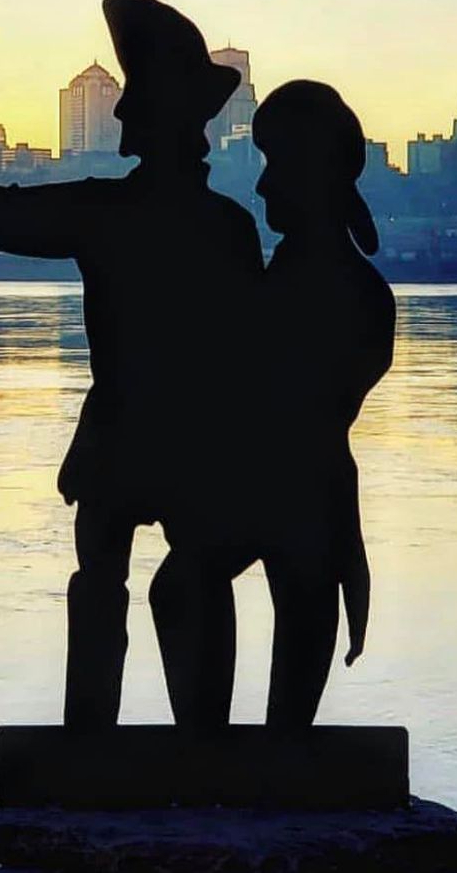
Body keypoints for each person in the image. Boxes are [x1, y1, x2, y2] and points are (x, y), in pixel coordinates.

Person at [0, 0, 263, 729]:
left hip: (130, 433)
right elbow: (12, 210)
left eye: (133, 103)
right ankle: (201, 741)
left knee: (114, 580)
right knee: (171, 580)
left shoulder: (115, 214)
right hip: (177, 438)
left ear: (157, 118)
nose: (117, 117)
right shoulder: (222, 226)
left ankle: (97, 740)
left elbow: (14, 212)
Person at [151, 79, 394, 730]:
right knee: (187, 587)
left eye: (273, 167)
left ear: (312, 174)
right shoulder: (315, 285)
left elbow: (298, 415)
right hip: (291, 492)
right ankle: (230, 749)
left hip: (294, 496)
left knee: (191, 587)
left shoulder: (330, 293)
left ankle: (229, 751)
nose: (260, 189)